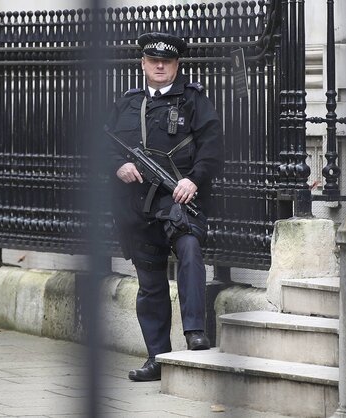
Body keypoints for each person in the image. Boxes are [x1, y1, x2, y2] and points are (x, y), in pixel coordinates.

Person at [105, 32, 224, 382]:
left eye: (167, 61)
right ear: (142, 63)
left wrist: (194, 180)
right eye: (153, 60)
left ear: (176, 65)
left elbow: (212, 148)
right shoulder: (128, 103)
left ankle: (194, 332)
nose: (160, 66)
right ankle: (157, 357)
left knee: (190, 252)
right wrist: (117, 166)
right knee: (150, 284)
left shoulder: (193, 100)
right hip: (138, 208)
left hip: (180, 201)